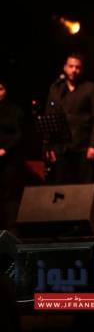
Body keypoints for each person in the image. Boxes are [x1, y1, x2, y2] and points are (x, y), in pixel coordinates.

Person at [44, 53, 94, 183]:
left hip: (83, 146)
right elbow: (49, 118)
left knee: (83, 187)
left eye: (77, 67)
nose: (74, 70)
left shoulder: (91, 88)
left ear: (82, 69)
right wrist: (48, 146)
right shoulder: (56, 89)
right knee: (62, 186)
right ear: (65, 67)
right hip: (62, 147)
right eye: (71, 66)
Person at [0, 80, 24, 229]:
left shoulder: (14, 110)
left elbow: (19, 134)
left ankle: (11, 230)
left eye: (0, 89)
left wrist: (5, 149)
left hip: (10, 159)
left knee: (10, 195)